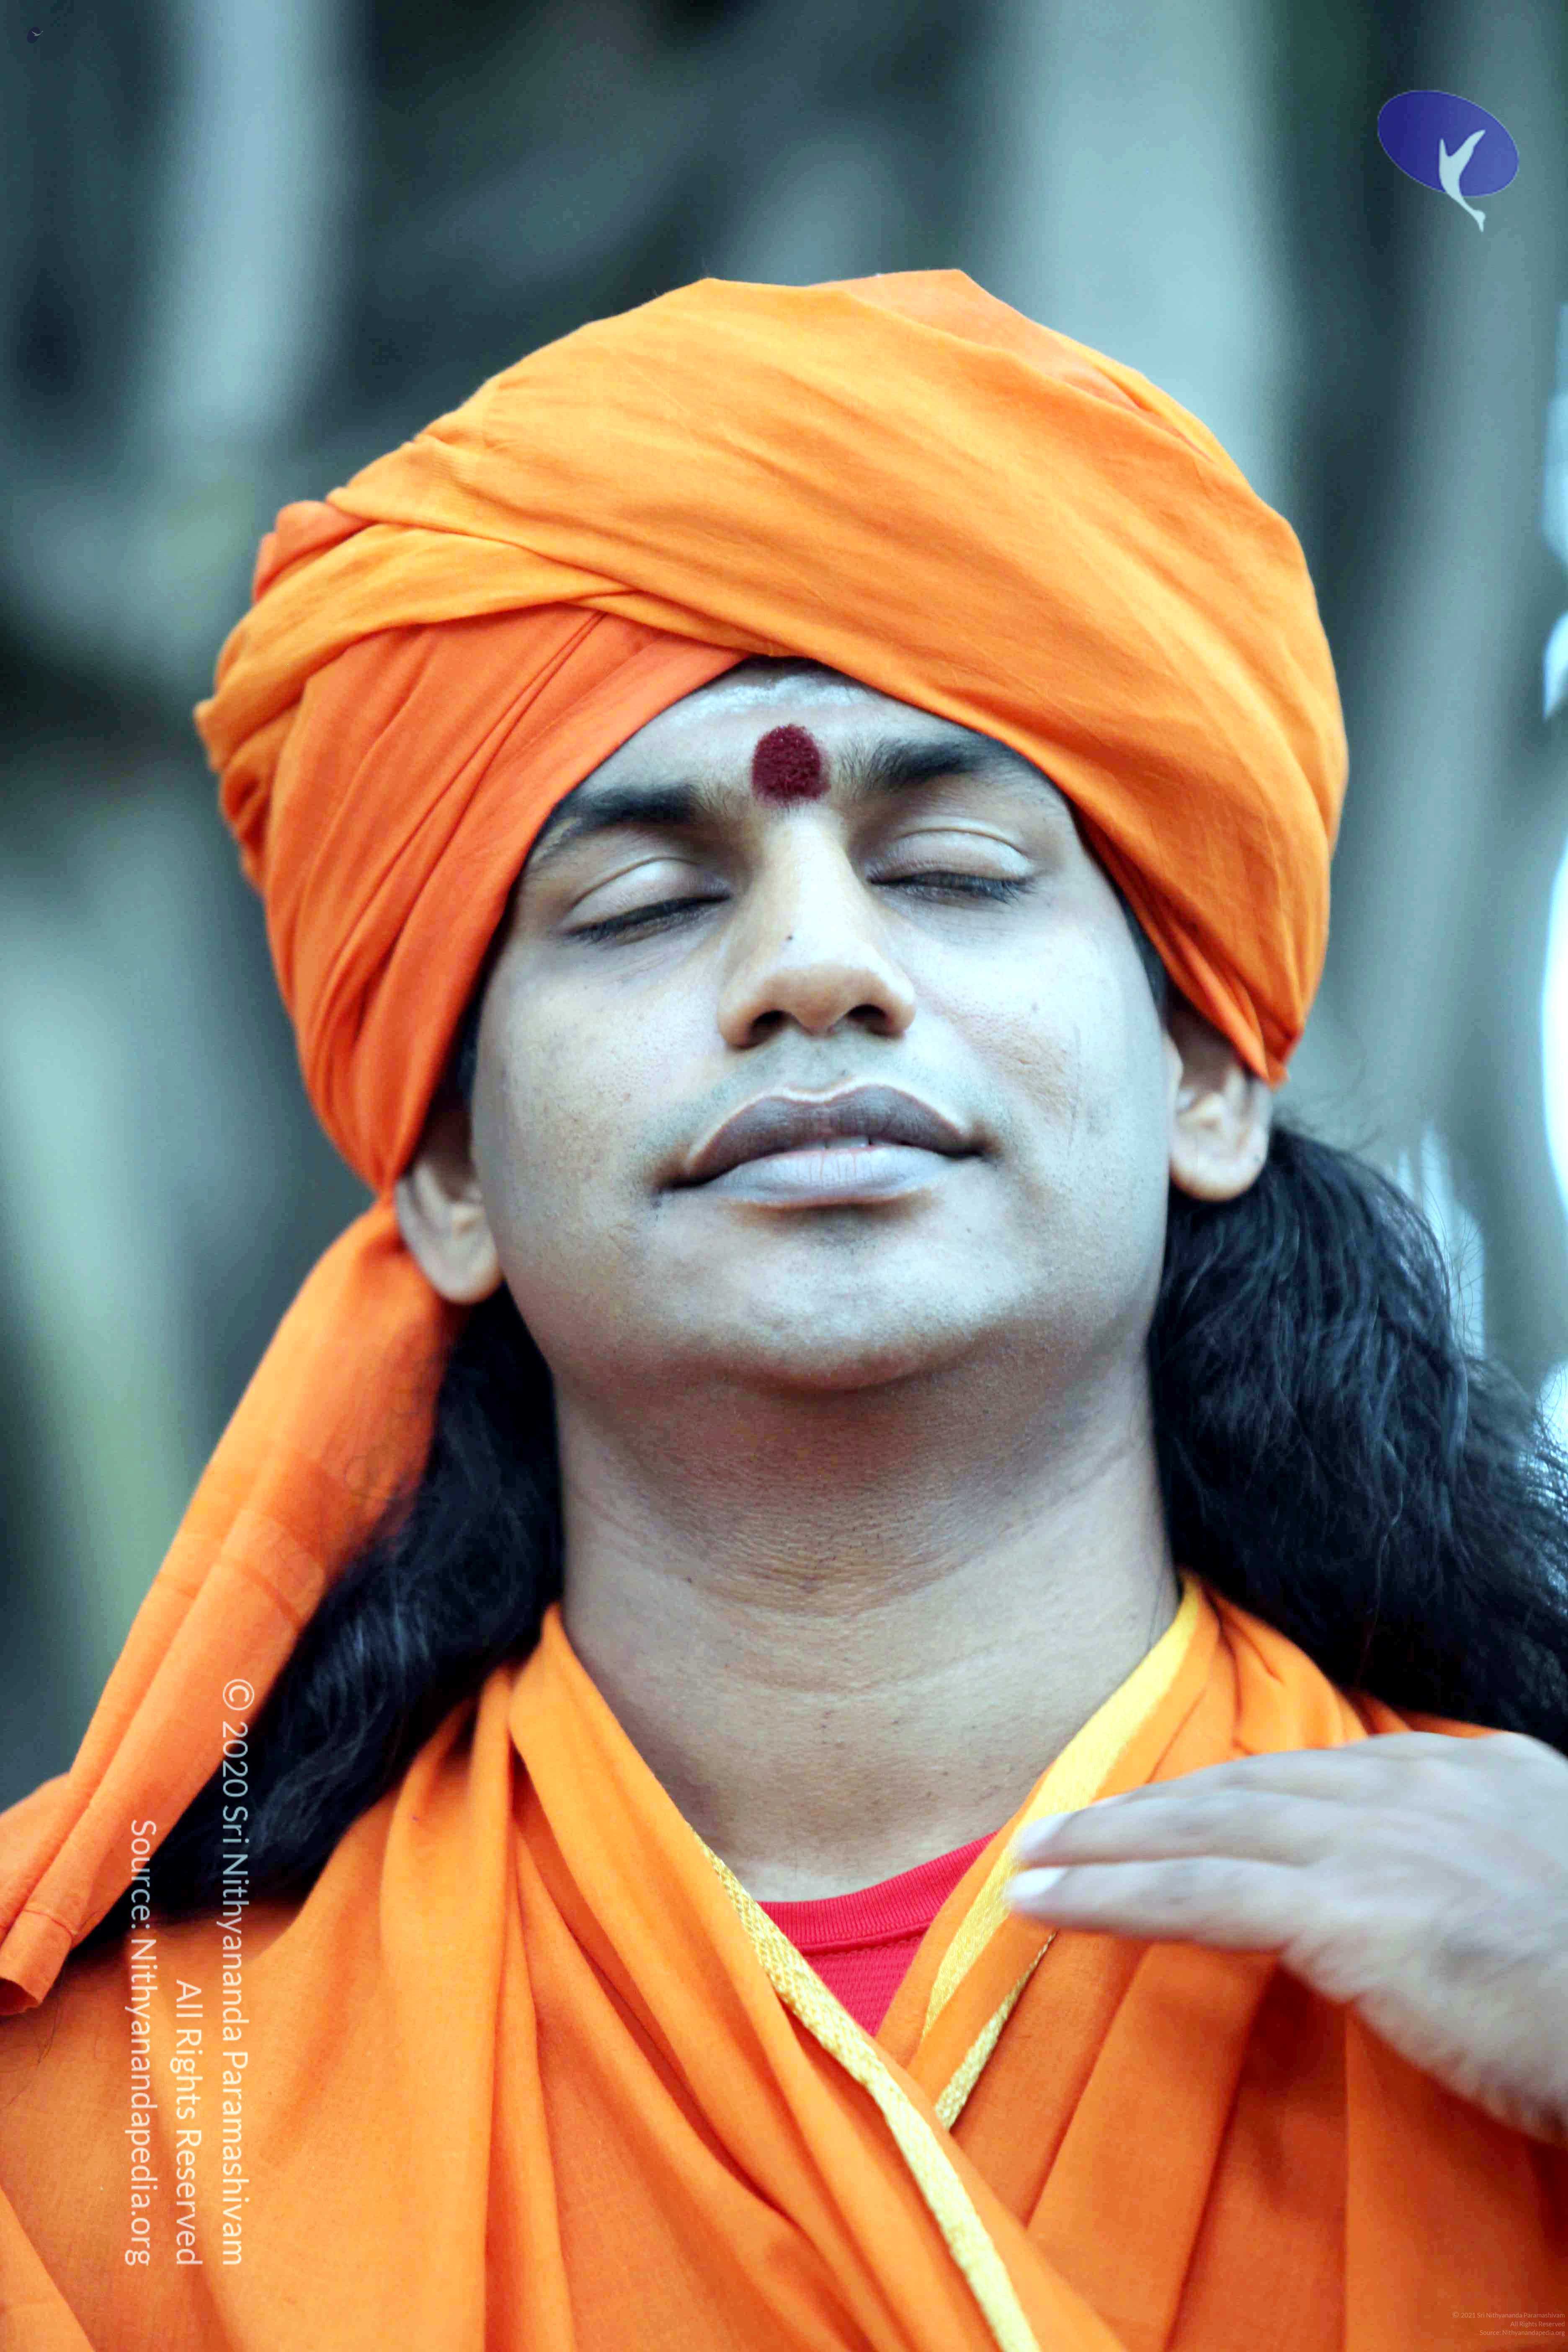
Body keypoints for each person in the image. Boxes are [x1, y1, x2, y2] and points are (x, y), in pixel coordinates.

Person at [2, 270, 1566, 2352]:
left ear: (1205, 1076)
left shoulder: (1537, 1936)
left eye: (956, 874)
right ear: (449, 1175)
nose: (815, 966)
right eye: (646, 905)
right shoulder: (115, 2128)